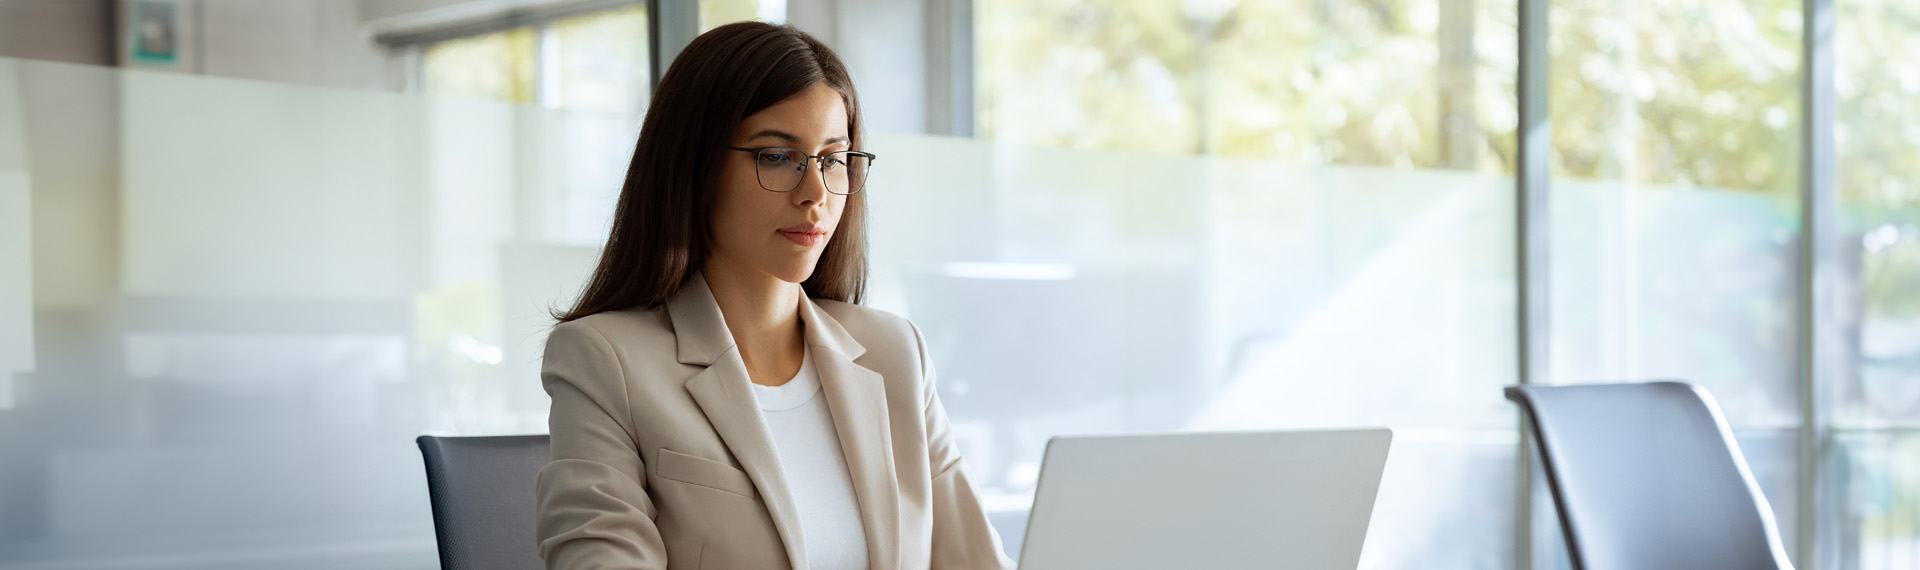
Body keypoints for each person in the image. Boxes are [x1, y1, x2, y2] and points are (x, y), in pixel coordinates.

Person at [534, 21, 1015, 570]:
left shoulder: (895, 352)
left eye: (833, 159)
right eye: (776, 157)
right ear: (695, 167)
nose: (815, 194)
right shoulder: (604, 360)